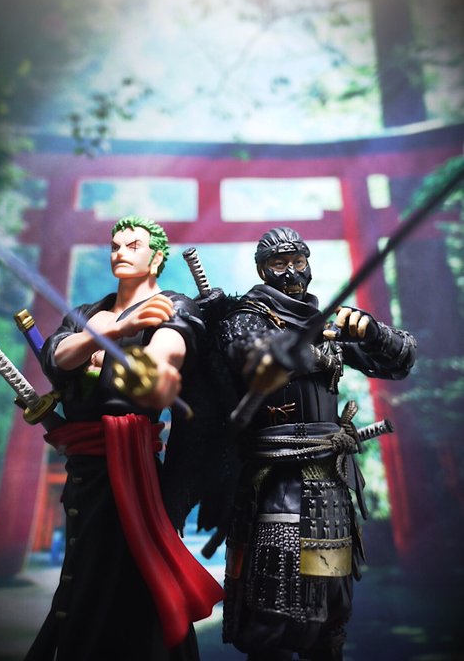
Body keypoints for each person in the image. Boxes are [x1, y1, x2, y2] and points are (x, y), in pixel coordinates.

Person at [25, 215, 223, 661]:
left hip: (133, 473)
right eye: (115, 245)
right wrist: (109, 331)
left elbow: (169, 347)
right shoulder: (87, 313)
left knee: (136, 582)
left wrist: (154, 370)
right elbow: (56, 358)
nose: (120, 252)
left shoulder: (172, 305)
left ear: (156, 257)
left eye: (133, 245)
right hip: (84, 471)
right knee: (81, 577)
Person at [219, 226, 417, 661]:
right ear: (262, 270)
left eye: (298, 261)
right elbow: (249, 354)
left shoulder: (326, 323)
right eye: (279, 263)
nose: (291, 272)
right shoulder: (246, 316)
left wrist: (372, 333)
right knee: (273, 611)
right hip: (276, 482)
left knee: (328, 613)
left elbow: (401, 361)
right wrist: (303, 349)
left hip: (329, 485)